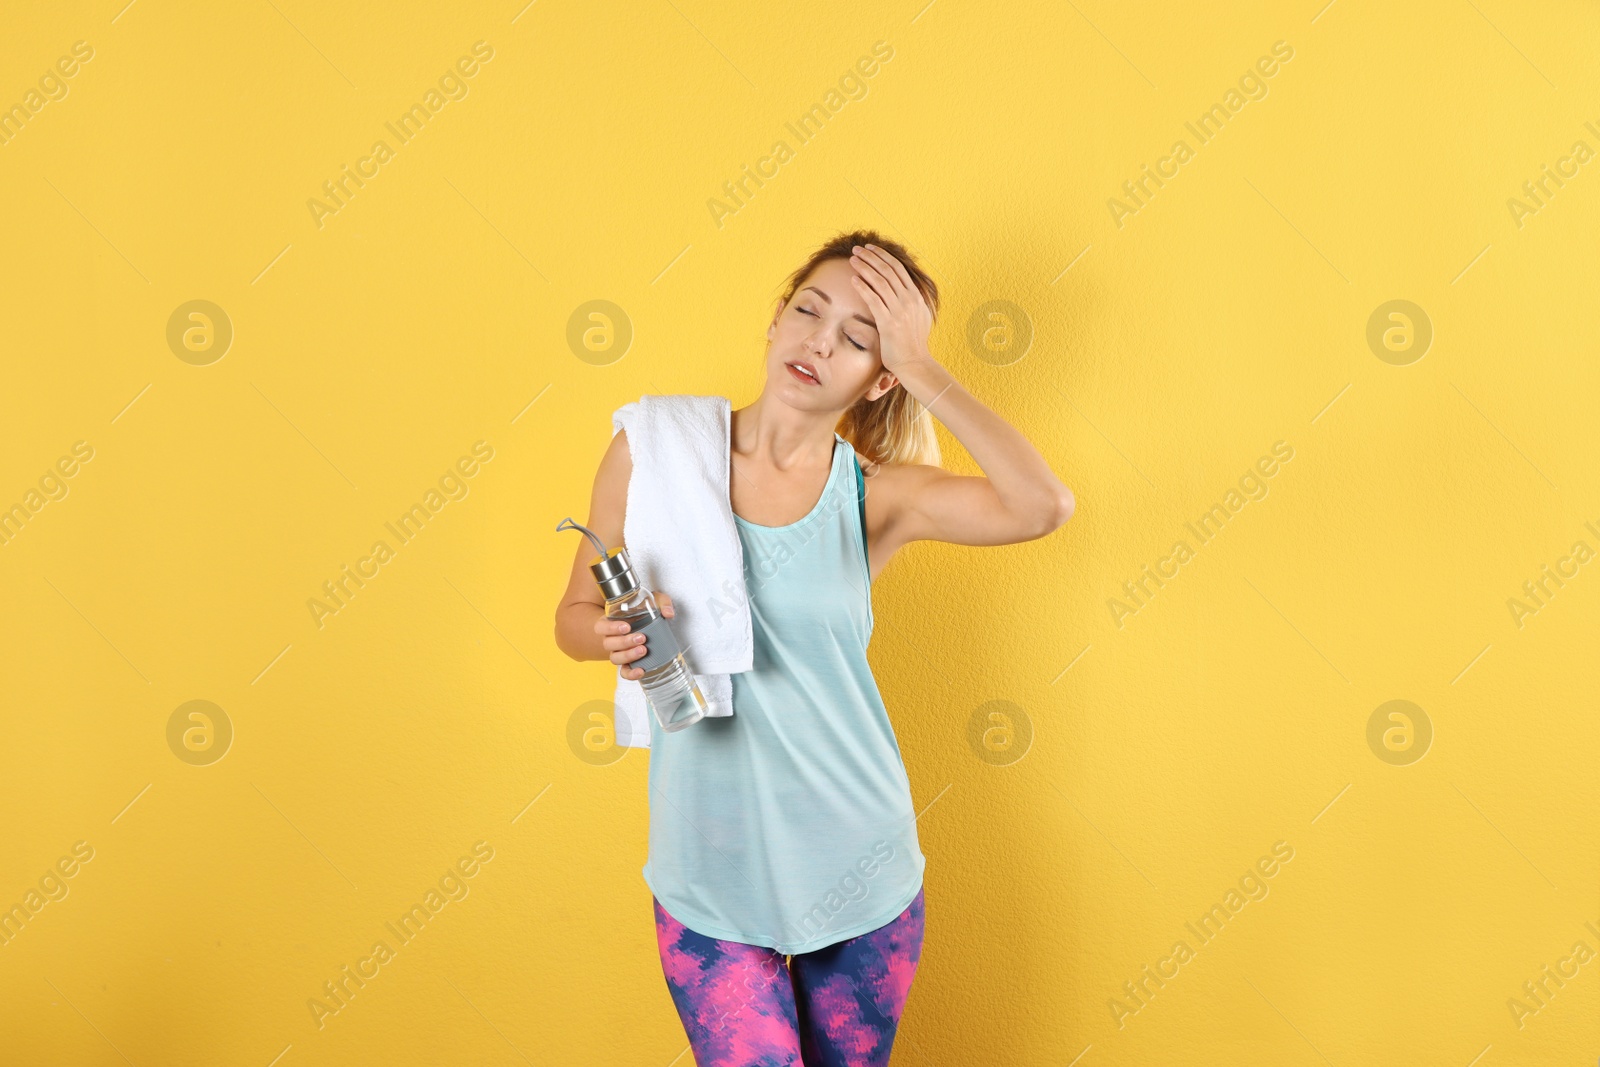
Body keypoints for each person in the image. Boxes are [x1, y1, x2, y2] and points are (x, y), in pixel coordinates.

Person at [554, 230, 1075, 1065]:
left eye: (861, 335)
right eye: (809, 310)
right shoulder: (651, 453)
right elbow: (572, 616)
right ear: (775, 321)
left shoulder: (877, 497)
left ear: (881, 378)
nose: (821, 341)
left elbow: (1043, 504)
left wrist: (926, 365)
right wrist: (608, 634)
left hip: (859, 868)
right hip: (708, 875)